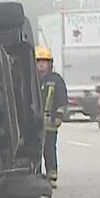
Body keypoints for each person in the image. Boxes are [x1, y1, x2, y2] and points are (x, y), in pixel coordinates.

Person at [36, 45, 68, 188]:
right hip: (34, 123)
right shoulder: (32, 79)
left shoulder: (56, 80)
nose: (41, 65)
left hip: (50, 122)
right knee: (35, 150)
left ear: (50, 63)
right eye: (38, 61)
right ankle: (36, 175)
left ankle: (52, 175)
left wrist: (59, 115)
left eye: (44, 61)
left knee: (49, 149)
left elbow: (61, 98)